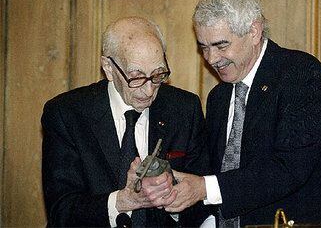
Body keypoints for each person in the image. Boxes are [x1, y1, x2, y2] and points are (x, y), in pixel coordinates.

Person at [165, 0, 321, 227]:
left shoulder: (300, 75)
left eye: (221, 45)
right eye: (204, 48)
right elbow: (212, 176)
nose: (211, 59)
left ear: (254, 31)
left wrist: (204, 188)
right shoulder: (218, 97)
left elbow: (288, 169)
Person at [42, 16, 210, 227]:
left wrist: (174, 199)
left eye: (158, 75)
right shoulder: (67, 114)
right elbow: (62, 211)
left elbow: (202, 204)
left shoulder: (185, 109)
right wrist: (121, 201)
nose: (149, 90)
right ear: (109, 68)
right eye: (136, 77)